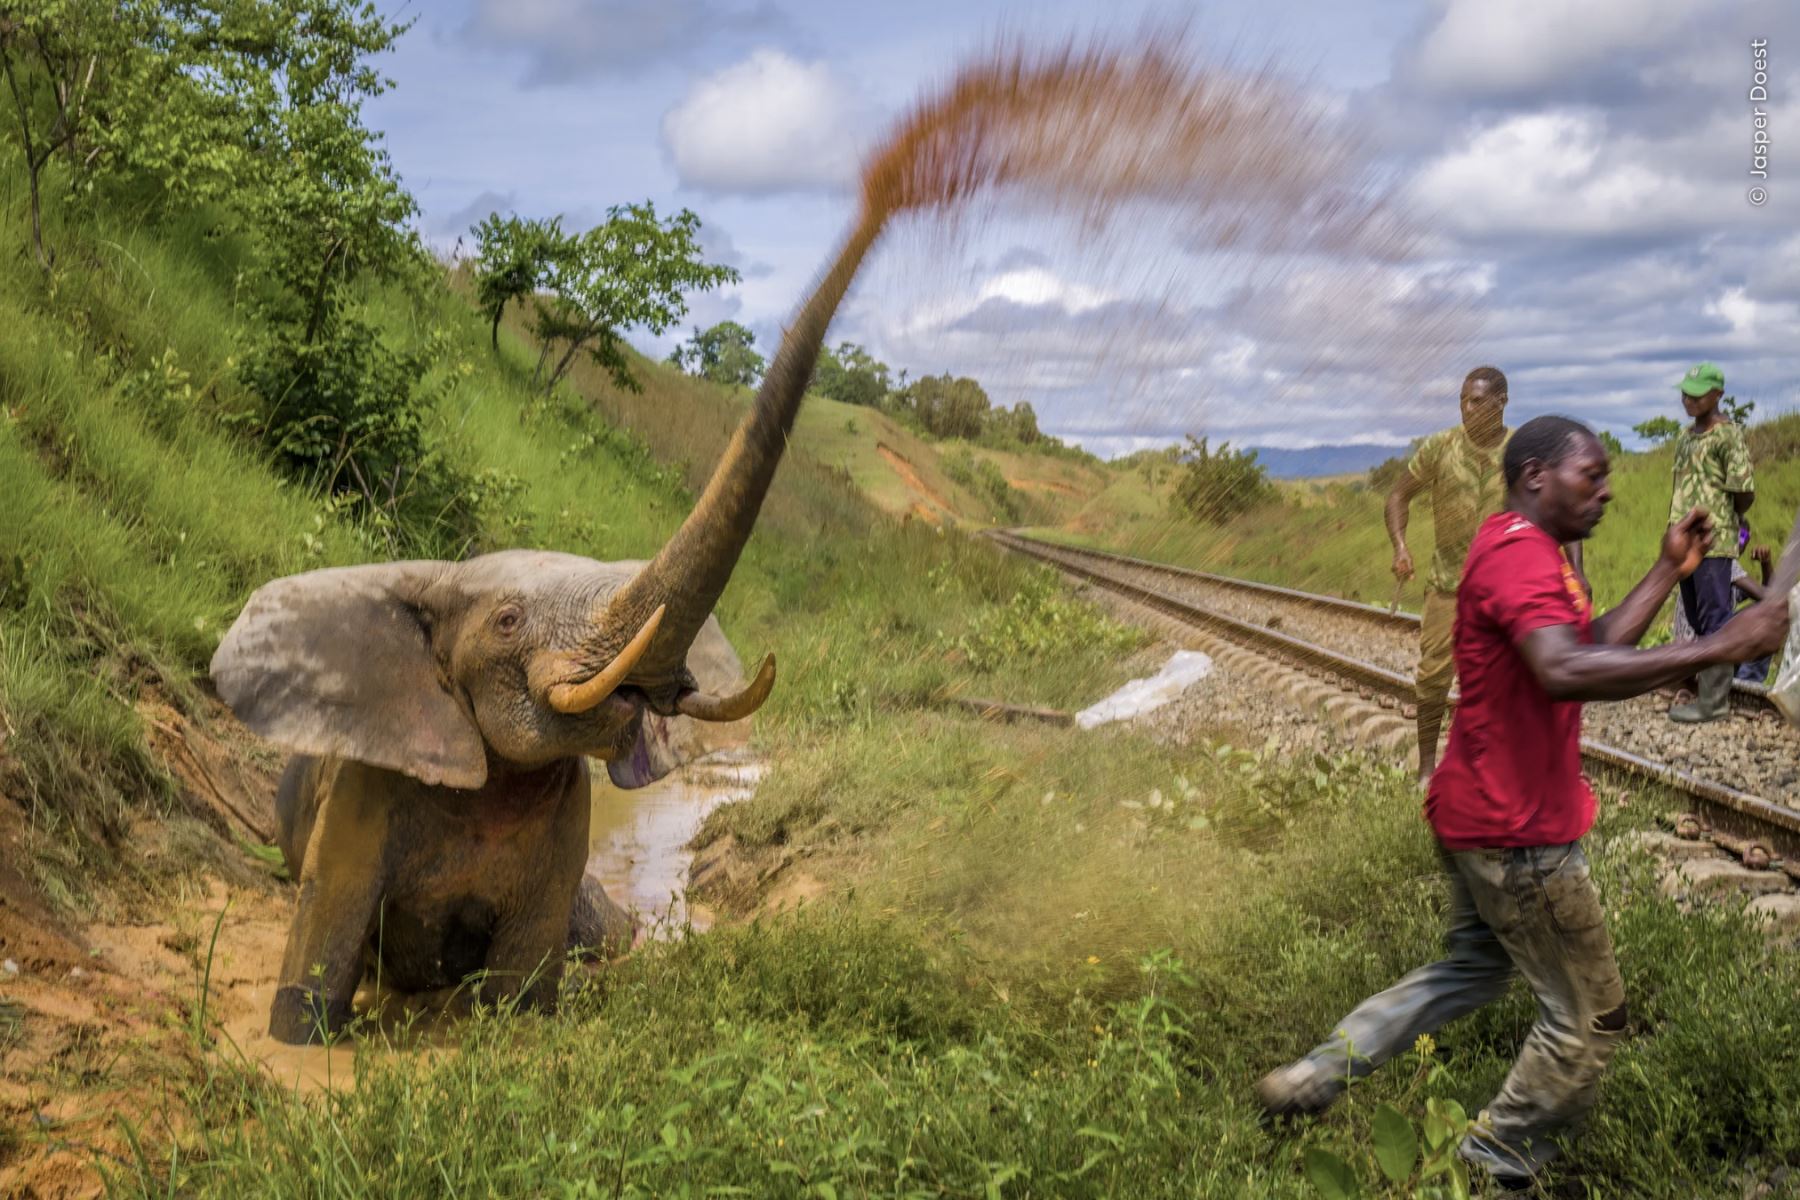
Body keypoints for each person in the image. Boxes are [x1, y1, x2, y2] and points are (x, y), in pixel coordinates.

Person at [1255, 416, 1789, 1190]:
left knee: (1469, 969)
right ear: (1536, 477)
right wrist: (1722, 645)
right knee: (1588, 1017)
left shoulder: (1530, 550)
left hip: (1478, 812)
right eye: (1591, 477)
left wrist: (1669, 570)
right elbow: (1564, 671)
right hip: (1517, 836)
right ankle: (1493, 1163)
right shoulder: (1515, 554)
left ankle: (1313, 1074)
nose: (1605, 491)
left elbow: (1592, 643)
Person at [1386, 366, 1510, 780]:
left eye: (1476, 401)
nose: (1466, 408)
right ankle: (1426, 769)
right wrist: (1401, 544)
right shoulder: (1441, 447)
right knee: (1433, 676)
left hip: (1503, 589)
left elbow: (1556, 507)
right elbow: (1399, 495)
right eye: (1462, 400)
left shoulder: (1521, 450)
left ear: (1500, 403)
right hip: (1447, 585)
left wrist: (1573, 569)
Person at [1667, 361, 1755, 722]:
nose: (1689, 399)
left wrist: (1727, 520)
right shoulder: (1685, 437)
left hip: (1713, 543)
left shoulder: (1728, 435)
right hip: (1683, 542)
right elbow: (1678, 487)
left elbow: (1743, 491)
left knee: (1716, 619)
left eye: (1698, 393)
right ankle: (1706, 692)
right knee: (1696, 617)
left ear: (1718, 394)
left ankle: (1714, 703)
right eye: (1686, 392)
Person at [1669, 544, 1777, 686]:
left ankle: (1740, 683)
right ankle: (1748, 683)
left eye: (1745, 537)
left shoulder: (1717, 563)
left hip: (1696, 652)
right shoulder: (1721, 561)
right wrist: (1767, 563)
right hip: (1701, 654)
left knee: (1762, 614)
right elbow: (1770, 599)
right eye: (1739, 536)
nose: (1741, 542)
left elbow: (1766, 597)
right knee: (1767, 619)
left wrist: (1766, 563)